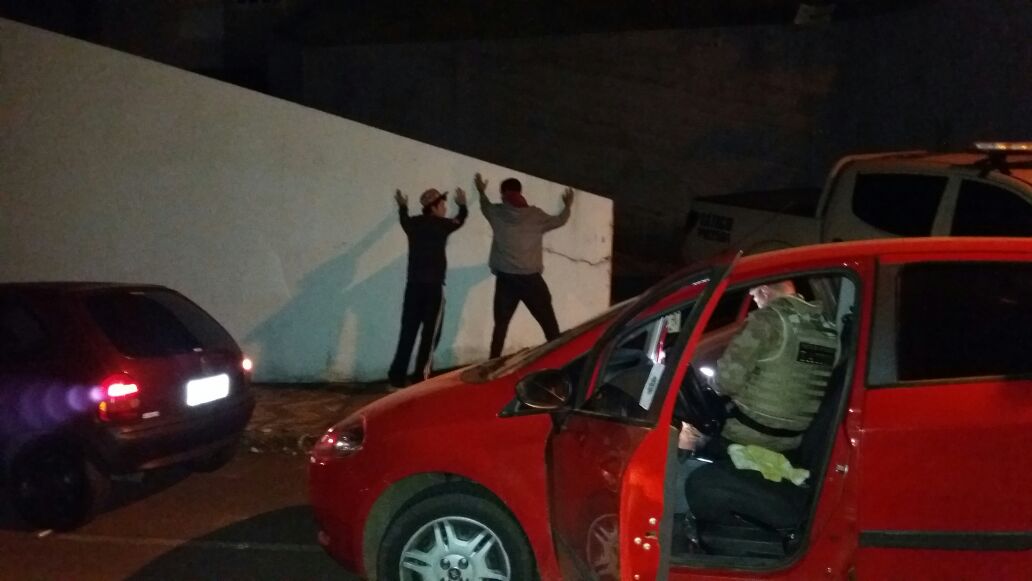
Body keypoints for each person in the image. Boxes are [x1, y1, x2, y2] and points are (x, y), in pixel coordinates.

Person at [680, 280, 840, 454]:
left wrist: (709, 383)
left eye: (755, 296)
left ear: (764, 291)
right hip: (793, 441)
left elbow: (726, 382)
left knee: (688, 433)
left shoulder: (767, 320)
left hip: (747, 436)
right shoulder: (826, 327)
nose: (755, 301)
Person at [474, 172, 574, 358]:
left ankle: (492, 363)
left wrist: (481, 192)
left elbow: (484, 206)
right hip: (531, 281)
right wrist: (567, 206)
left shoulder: (496, 213)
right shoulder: (535, 216)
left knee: (501, 325)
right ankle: (561, 360)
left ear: (503, 193)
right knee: (549, 324)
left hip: (506, 279)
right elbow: (560, 220)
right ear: (520, 192)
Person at [387, 186, 468, 388]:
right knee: (430, 336)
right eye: (443, 204)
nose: (445, 208)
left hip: (413, 288)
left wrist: (403, 207)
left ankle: (396, 379)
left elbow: (404, 219)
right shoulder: (442, 225)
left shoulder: (413, 224)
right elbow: (460, 220)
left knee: (408, 333)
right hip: (432, 289)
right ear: (434, 206)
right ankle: (420, 379)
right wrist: (463, 205)